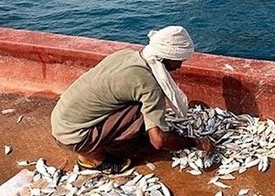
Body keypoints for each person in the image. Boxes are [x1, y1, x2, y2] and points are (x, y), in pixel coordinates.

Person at [51, 26, 215, 174]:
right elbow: (159, 141)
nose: (180, 66)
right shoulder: (149, 84)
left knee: (142, 105)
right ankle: (94, 159)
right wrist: (195, 142)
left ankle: (101, 142)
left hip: (60, 121)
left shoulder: (126, 54)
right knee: (142, 112)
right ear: (167, 57)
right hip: (74, 137)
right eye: (178, 60)